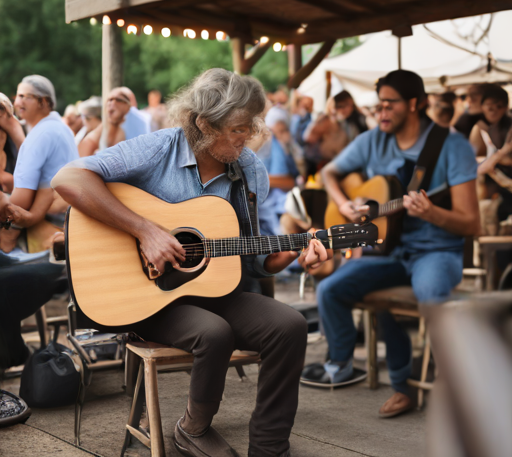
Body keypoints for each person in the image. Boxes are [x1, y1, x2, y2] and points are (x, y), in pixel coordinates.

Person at [52, 69, 331, 457]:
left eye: (251, 125)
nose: (248, 136)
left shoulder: (248, 171)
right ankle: (193, 429)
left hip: (213, 288)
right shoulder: (158, 149)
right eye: (237, 128)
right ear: (203, 123)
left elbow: (253, 258)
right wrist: (145, 231)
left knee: (290, 325)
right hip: (147, 295)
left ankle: (270, 447)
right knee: (213, 332)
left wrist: (293, 252)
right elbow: (68, 178)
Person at [301, 70, 480, 418]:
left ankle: (452, 383)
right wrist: (343, 203)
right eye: (378, 104)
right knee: (331, 289)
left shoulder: (451, 145)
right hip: (390, 251)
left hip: (437, 251)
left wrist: (432, 214)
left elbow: (471, 223)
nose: (381, 111)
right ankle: (345, 366)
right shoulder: (373, 141)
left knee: (428, 293)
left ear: (415, 104)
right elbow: (329, 173)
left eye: (389, 104)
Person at [0, 75, 78, 369]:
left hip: (50, 233)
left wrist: (16, 214)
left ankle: (13, 353)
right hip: (56, 225)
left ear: (45, 102)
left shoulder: (40, 135)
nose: (18, 102)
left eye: (26, 97)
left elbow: (20, 200)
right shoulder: (55, 129)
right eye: (16, 96)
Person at [471, 84, 512, 223]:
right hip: (498, 190)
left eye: (498, 106)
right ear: (482, 107)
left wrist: (496, 159)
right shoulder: (484, 127)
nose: (493, 110)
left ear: (506, 107)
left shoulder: (508, 126)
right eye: (489, 105)